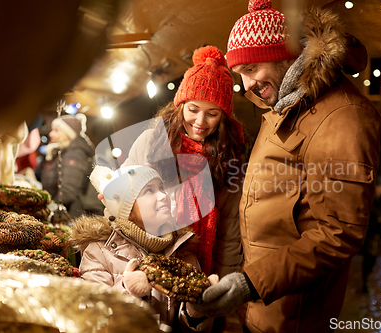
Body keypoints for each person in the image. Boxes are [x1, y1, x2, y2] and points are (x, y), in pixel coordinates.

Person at [191, 1, 381, 332]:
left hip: (293, 317)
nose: (246, 86)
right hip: (262, 309)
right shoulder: (284, 106)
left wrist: (249, 283)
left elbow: (338, 233)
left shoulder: (343, 115)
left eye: (251, 69)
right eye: (241, 75)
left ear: (284, 55)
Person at [123, 46, 246, 280]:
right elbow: (125, 207)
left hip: (203, 271)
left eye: (212, 113)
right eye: (193, 109)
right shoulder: (152, 141)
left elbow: (229, 231)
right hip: (147, 263)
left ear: (224, 116)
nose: (200, 121)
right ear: (180, 106)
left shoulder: (228, 157)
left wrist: (225, 281)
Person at [71, 164, 216, 332]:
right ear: (128, 211)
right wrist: (127, 290)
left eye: (162, 188)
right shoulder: (99, 252)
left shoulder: (182, 251)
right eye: (149, 191)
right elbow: (92, 317)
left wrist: (197, 310)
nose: (163, 195)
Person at [38, 113, 98, 218]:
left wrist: (47, 208)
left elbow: (68, 192)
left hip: (71, 215)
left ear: (68, 134)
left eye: (56, 130)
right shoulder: (61, 152)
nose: (51, 134)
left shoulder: (75, 154)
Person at [360, 175, 381, 293]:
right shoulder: (370, 199)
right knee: (368, 259)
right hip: (371, 234)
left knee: (372, 259)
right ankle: (365, 282)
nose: (379, 189)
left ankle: (366, 280)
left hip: (378, 235)